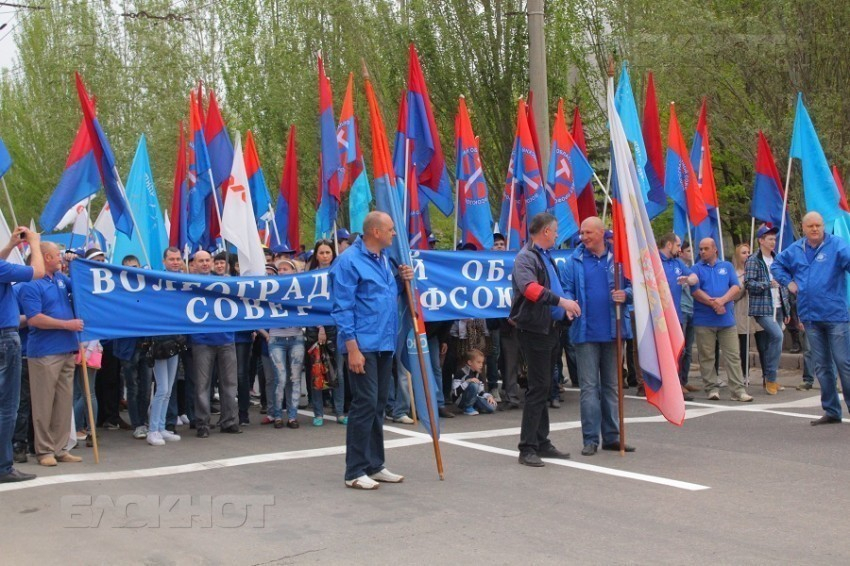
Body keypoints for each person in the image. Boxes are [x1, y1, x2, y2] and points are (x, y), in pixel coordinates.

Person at [330, 211, 413, 490]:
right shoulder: (348, 262)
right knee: (364, 404)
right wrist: (352, 348)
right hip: (363, 345)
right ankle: (354, 470)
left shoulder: (384, 260)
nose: (394, 234)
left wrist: (403, 280)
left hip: (385, 341)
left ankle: (375, 464)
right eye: (390, 229)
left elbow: (386, 296)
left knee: (378, 405)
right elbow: (342, 307)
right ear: (375, 232)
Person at [510, 212, 580, 467]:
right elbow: (530, 289)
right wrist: (562, 302)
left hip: (550, 328)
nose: (558, 234)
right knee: (538, 387)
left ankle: (541, 441)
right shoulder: (526, 258)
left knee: (544, 385)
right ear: (546, 232)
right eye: (556, 230)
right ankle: (527, 447)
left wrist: (565, 310)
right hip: (534, 330)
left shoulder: (544, 256)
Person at [561, 217, 635, 456]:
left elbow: (636, 286)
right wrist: (569, 305)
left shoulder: (620, 259)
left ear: (602, 232)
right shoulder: (573, 261)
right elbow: (567, 290)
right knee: (589, 388)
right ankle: (591, 438)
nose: (583, 237)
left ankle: (612, 437)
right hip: (585, 333)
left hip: (614, 331)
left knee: (612, 386)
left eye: (588, 232)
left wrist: (626, 294)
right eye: (582, 233)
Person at [772, 211, 850, 425]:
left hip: (836, 315)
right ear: (804, 228)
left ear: (823, 226)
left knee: (844, 363)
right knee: (822, 366)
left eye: (818, 225)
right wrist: (788, 283)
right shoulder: (796, 249)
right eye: (810, 226)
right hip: (810, 316)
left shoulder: (837, 245)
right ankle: (832, 411)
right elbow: (777, 265)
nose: (815, 229)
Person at [19, 242, 85, 467]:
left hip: (66, 349)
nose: (60, 258)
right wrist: (67, 325)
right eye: (57, 255)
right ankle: (44, 450)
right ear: (46, 257)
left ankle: (60, 447)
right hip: (45, 352)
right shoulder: (32, 284)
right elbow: (35, 318)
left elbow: (80, 289)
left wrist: (76, 267)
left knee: (63, 403)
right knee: (43, 404)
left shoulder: (59, 279)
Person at [0, 227, 43, 483]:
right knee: (8, 406)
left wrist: (9, 246)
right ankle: (4, 466)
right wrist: (34, 244)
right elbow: (36, 272)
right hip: (5, 337)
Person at [690, 238, 753, 402]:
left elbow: (735, 287)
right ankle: (711, 388)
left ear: (715, 250)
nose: (702, 252)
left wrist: (722, 301)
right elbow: (695, 291)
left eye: (705, 249)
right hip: (704, 319)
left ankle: (738, 390)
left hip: (726, 319)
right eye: (700, 249)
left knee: (733, 355)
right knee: (707, 356)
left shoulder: (726, 266)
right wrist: (714, 303)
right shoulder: (696, 268)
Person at [190, 250, 240, 437]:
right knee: (202, 385)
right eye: (200, 261)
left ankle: (229, 421)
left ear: (211, 262)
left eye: (207, 260)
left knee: (229, 383)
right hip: (202, 340)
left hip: (226, 338)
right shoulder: (188, 284)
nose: (204, 263)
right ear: (194, 264)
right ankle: (202, 423)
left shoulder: (225, 282)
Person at [145, 247, 187, 446]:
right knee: (161, 388)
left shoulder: (185, 282)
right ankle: (152, 429)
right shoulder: (157, 280)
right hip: (160, 341)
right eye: (172, 259)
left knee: (169, 388)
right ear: (164, 261)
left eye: (178, 259)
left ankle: (161, 426)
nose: (176, 262)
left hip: (176, 341)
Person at [305, 239, 346, 426]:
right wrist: (320, 327)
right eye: (321, 253)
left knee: (337, 371)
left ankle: (339, 412)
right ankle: (318, 413)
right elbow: (312, 305)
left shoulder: (339, 274)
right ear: (316, 255)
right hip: (315, 329)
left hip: (336, 329)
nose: (324, 256)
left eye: (328, 252)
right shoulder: (309, 277)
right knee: (317, 371)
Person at [746, 226, 790, 394]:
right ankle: (770, 378)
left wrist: (786, 310)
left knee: (776, 342)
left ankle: (770, 378)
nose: (773, 242)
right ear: (761, 240)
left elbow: (784, 284)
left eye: (774, 238)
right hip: (763, 308)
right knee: (777, 336)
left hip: (778, 307)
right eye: (769, 238)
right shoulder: (753, 260)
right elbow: (749, 284)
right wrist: (767, 284)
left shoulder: (778, 259)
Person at [657, 232, 699, 401]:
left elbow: (694, 277)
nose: (680, 248)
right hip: (659, 317)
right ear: (669, 245)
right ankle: (660, 386)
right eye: (678, 245)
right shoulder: (655, 261)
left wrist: (689, 279)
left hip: (676, 316)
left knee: (677, 352)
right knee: (661, 353)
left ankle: (675, 386)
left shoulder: (677, 262)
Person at [266, 258, 305, 429]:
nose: (281, 272)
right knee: (280, 379)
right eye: (279, 269)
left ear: (293, 272)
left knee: (295, 378)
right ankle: (277, 415)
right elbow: (256, 311)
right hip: (276, 339)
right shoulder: (269, 291)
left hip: (295, 337)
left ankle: (292, 415)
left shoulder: (300, 291)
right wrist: (265, 333)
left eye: (285, 269)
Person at [732, 243, 754, 378]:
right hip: (739, 310)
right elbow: (734, 296)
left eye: (748, 252)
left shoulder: (753, 270)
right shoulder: (734, 274)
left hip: (752, 309)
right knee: (742, 343)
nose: (747, 255)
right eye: (743, 252)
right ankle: (742, 373)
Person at [451, 349, 496, 415]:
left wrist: (489, 396)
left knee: (492, 407)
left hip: (475, 397)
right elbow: (455, 393)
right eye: (478, 362)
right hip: (460, 400)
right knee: (473, 384)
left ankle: (474, 406)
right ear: (470, 362)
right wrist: (467, 382)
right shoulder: (460, 372)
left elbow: (480, 392)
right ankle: (468, 408)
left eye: (482, 363)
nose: (481, 365)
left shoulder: (479, 374)